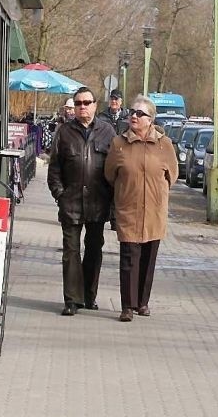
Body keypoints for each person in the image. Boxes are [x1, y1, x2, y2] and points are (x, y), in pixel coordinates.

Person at [104, 95, 178, 322]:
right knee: (129, 258)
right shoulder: (119, 143)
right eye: (132, 112)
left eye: (139, 114)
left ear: (150, 120)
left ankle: (142, 302)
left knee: (148, 257)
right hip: (129, 209)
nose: (133, 116)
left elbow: (172, 175)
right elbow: (109, 175)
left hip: (154, 210)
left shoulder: (164, 144)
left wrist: (158, 192)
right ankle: (127, 305)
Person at [47, 87, 116, 316]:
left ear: (96, 105)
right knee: (71, 252)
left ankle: (88, 295)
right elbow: (54, 167)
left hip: (98, 203)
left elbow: (115, 168)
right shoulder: (64, 132)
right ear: (73, 107)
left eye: (87, 102)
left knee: (94, 250)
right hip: (72, 202)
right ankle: (72, 300)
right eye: (78, 103)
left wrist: (111, 199)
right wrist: (60, 194)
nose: (82, 107)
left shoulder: (108, 132)